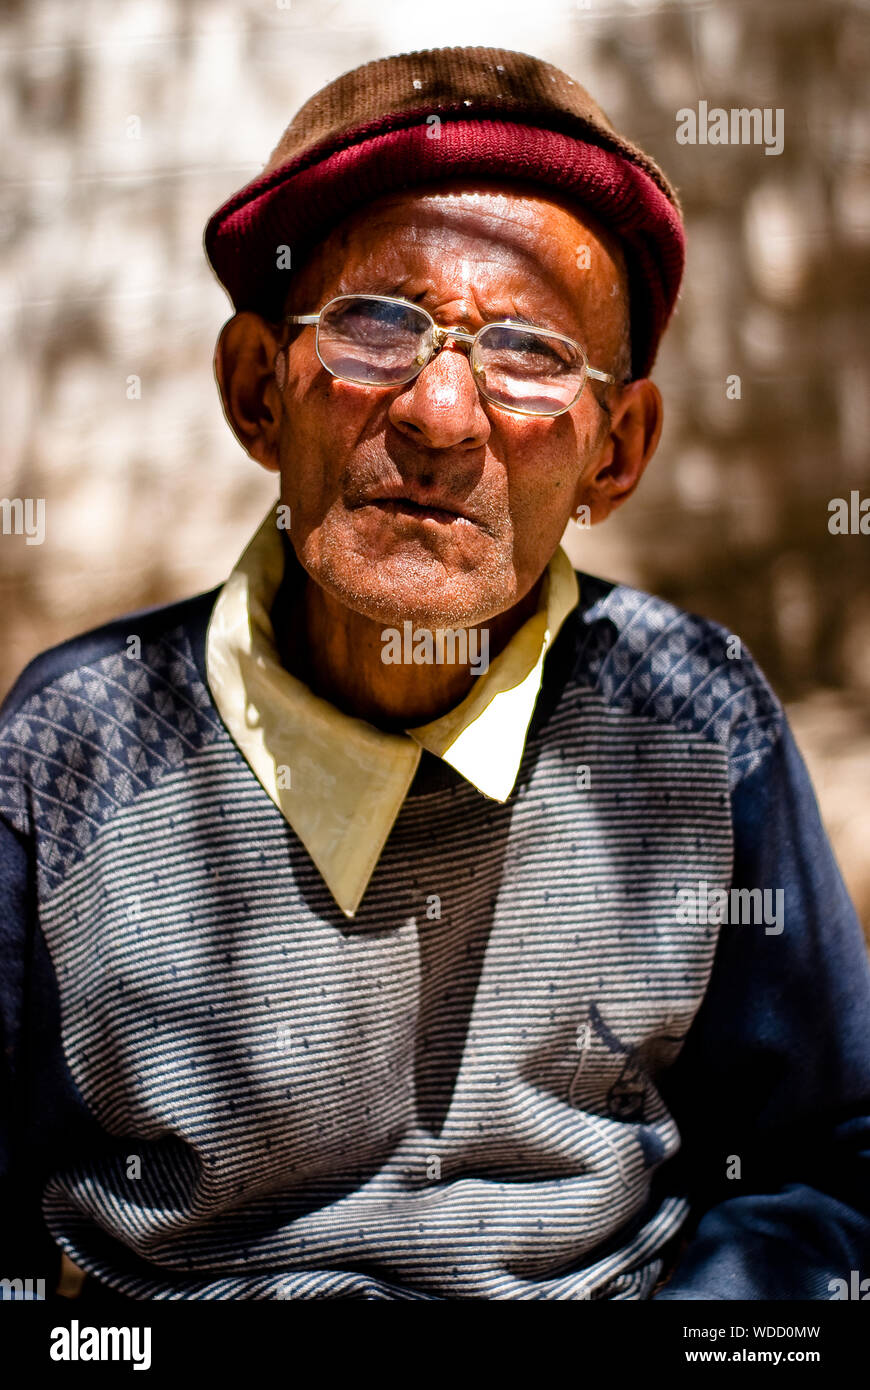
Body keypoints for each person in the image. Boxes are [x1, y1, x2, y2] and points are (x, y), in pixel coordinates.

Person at [1, 45, 868, 1303]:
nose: (440, 415)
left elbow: (822, 1161)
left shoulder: (695, 718)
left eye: (528, 353)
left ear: (615, 458)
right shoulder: (73, 745)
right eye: (373, 323)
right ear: (257, 392)